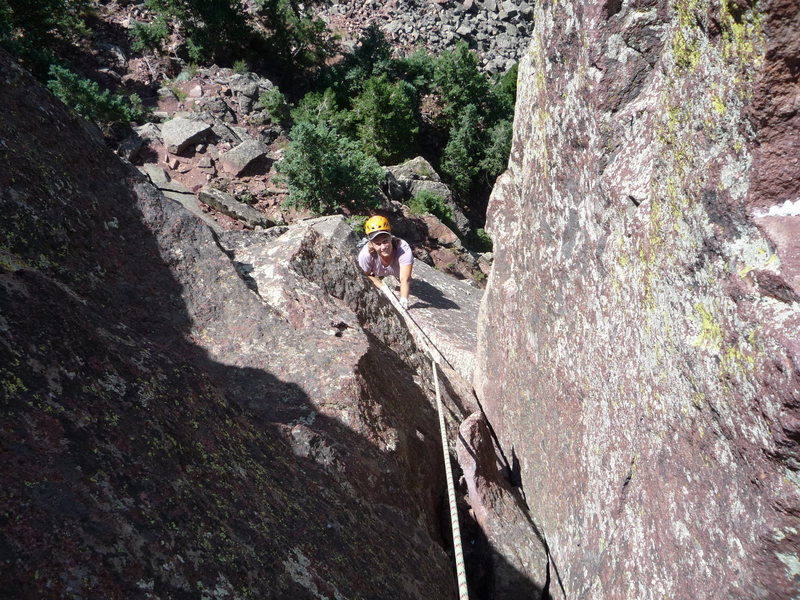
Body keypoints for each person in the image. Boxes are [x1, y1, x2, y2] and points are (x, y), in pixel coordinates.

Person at [358, 215, 414, 309]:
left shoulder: (403, 249)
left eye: (385, 241)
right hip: (376, 271)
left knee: (402, 277)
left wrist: (403, 300)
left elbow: (405, 279)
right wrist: (382, 287)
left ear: (391, 237)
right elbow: (365, 275)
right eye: (378, 244)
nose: (383, 247)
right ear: (371, 243)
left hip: (397, 270)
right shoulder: (366, 254)